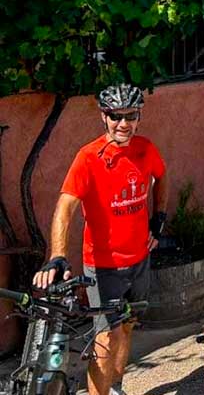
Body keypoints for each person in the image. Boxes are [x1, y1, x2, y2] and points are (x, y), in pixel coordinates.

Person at [33, 84, 169, 395]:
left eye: (130, 116)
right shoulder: (89, 157)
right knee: (107, 336)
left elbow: (162, 176)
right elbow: (65, 208)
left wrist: (158, 219)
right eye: (116, 116)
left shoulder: (146, 149)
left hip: (139, 260)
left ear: (139, 116)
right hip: (104, 267)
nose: (124, 124)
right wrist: (58, 254)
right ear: (103, 117)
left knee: (128, 325)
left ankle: (115, 385)